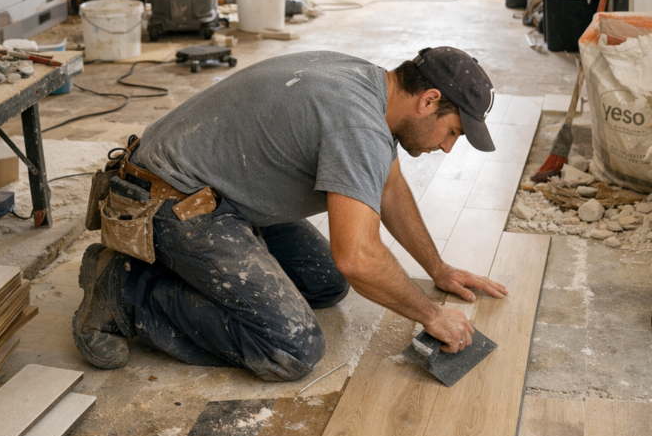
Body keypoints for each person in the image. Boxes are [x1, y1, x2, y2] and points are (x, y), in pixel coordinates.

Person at [72, 46, 506, 380]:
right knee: (290, 348)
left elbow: (389, 188)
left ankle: (200, 271)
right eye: (453, 132)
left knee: (326, 284)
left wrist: (438, 268)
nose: (448, 147)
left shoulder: (371, 86)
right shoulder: (359, 124)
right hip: (167, 198)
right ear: (429, 101)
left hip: (217, 188)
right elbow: (357, 257)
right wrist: (432, 316)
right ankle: (123, 290)